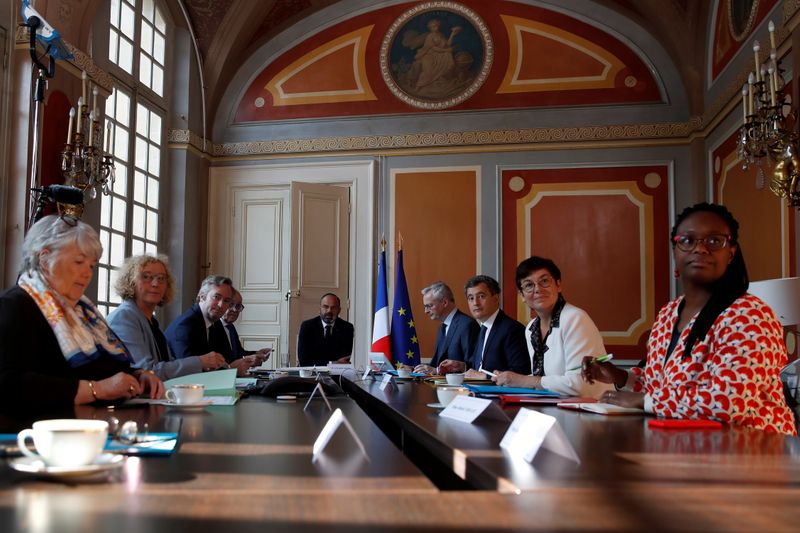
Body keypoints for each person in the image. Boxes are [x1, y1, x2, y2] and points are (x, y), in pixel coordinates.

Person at [583, 202, 796, 435]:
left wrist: (644, 401)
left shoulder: (750, 315)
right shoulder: (668, 313)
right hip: (688, 447)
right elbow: (663, 388)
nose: (700, 249)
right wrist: (620, 376)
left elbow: (728, 403)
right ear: (675, 252)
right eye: (687, 240)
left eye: (714, 241)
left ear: (731, 253)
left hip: (756, 454)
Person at [0, 215, 163, 412]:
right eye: (79, 262)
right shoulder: (16, 305)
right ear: (44, 259)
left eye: (91, 266)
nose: (88, 273)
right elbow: (8, 384)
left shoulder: (83, 312)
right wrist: (97, 390)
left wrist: (138, 376)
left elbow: (101, 368)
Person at [491, 256, 612, 398]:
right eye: (529, 285)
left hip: (592, 410)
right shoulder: (531, 328)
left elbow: (581, 385)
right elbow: (543, 378)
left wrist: (523, 380)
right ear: (522, 295)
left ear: (558, 284)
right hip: (555, 407)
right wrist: (509, 378)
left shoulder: (575, 318)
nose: (537, 289)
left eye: (544, 281)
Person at [108, 254, 226, 380]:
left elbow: (168, 365)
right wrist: (200, 362)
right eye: (146, 277)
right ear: (130, 282)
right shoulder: (123, 317)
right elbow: (147, 372)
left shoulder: (151, 321)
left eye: (161, 278)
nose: (155, 283)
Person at [165, 275, 260, 377]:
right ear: (202, 296)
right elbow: (189, 373)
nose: (221, 305)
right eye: (216, 297)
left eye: (226, 301)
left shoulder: (215, 323)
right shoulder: (185, 326)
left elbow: (226, 359)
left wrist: (240, 364)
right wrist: (231, 369)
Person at [439, 275, 529, 376]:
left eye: (481, 296)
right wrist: (462, 367)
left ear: (495, 299)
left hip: (498, 391)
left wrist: (486, 377)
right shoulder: (483, 328)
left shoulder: (512, 329)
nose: (475, 303)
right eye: (471, 298)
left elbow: (520, 373)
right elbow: (481, 367)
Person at [414, 281, 478, 374]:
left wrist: (436, 370)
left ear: (444, 302)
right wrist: (413, 369)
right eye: (425, 307)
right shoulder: (442, 327)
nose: (426, 311)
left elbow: (473, 365)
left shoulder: (467, 325)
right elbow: (436, 364)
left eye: (429, 306)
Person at [297, 293, 354, 366]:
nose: (329, 311)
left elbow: (343, 361)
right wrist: (332, 363)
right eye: (325, 307)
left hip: (337, 375)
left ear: (339, 310)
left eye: (333, 307)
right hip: (311, 374)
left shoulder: (347, 328)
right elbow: (304, 361)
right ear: (319, 309)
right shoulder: (307, 327)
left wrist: (323, 362)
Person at [220, 288, 272, 366]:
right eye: (231, 305)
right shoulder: (214, 327)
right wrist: (249, 359)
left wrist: (257, 354)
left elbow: (239, 354)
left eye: (238, 306)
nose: (234, 310)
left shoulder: (231, 327)